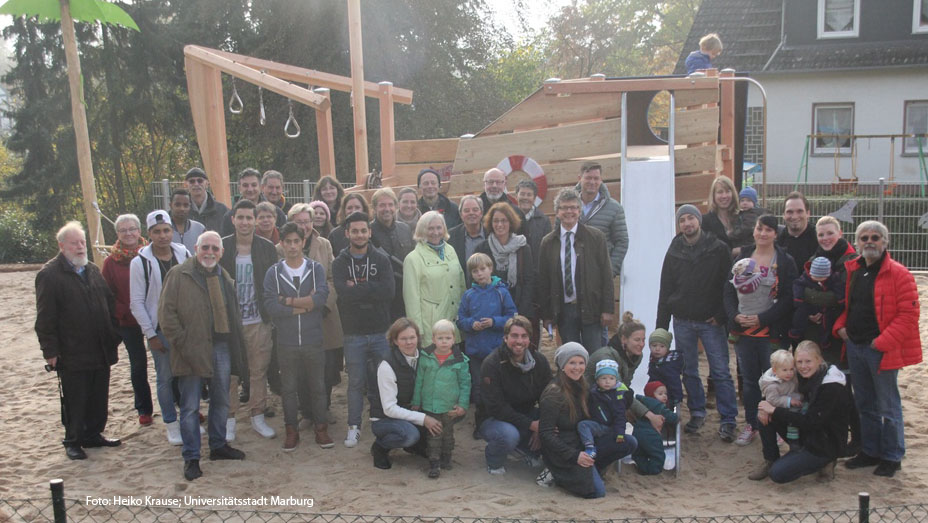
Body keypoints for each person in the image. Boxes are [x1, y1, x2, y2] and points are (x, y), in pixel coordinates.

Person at [158, 231, 247, 481]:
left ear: (221, 252)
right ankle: (192, 457)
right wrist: (183, 343)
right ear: (195, 248)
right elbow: (166, 315)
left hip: (221, 347)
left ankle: (218, 446)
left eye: (215, 249)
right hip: (190, 349)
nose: (210, 252)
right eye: (205, 247)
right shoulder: (178, 275)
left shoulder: (223, 275)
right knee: (189, 407)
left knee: (221, 400)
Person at [835, 220, 921, 478]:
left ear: (885, 242)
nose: (869, 242)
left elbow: (908, 314)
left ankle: (892, 456)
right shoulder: (854, 270)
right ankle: (870, 451)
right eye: (864, 238)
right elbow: (851, 307)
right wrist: (841, 327)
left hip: (880, 349)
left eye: (875, 237)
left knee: (888, 406)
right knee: (865, 404)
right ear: (857, 242)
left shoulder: (899, 273)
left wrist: (881, 342)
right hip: (856, 346)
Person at [36, 221, 122, 460]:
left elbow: (109, 301)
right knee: (75, 398)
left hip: (100, 347)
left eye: (82, 242)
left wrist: (114, 333)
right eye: (75, 243)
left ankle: (93, 434)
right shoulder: (49, 275)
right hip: (72, 350)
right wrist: (50, 352)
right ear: (62, 246)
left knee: (98, 394)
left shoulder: (92, 269)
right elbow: (45, 318)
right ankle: (73, 440)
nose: (80, 247)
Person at [656, 203, 738, 439]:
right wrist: (662, 328)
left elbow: (729, 285)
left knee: (721, 371)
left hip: (711, 322)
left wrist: (722, 315)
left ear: (698, 221)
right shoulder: (673, 251)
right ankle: (697, 413)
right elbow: (666, 289)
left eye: (690, 218)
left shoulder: (718, 248)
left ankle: (729, 419)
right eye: (682, 220)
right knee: (689, 371)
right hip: (682, 321)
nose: (687, 224)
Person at [724, 214, 798, 447]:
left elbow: (788, 299)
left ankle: (775, 425)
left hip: (772, 333)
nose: (763, 233)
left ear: (776, 233)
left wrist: (762, 319)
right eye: (759, 228)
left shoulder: (785, 261)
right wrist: (735, 316)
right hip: (744, 333)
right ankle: (752, 424)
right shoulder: (743, 256)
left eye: (768, 229)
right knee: (749, 381)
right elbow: (727, 291)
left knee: (774, 381)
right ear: (754, 231)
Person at [262, 223, 329, 452]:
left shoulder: (315, 268)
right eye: (287, 241)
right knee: (289, 388)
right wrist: (302, 306)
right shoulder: (274, 272)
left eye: (296, 241)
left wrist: (287, 301)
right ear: (282, 243)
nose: (292, 246)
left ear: (303, 242)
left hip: (313, 338)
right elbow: (271, 305)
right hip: (287, 341)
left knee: (318, 387)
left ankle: (321, 428)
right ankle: (292, 431)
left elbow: (320, 299)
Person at [333, 212, 395, 449]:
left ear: (370, 232)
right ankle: (354, 427)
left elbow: (388, 292)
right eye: (354, 231)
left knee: (384, 380)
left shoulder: (381, 259)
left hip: (380, 330)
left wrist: (358, 287)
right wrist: (371, 289)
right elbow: (343, 294)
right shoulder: (339, 262)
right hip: (353, 333)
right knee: (356, 382)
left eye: (363, 230)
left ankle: (383, 422)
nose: (359, 235)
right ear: (347, 233)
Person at [130, 210, 192, 445]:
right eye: (157, 231)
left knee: (187, 375)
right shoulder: (140, 263)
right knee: (165, 378)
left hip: (184, 327)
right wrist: (151, 333)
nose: (163, 236)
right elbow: (136, 302)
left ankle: (188, 418)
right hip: (159, 329)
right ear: (149, 234)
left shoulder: (183, 253)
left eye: (166, 230)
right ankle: (171, 423)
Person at [219, 199, 279, 441]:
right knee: (230, 373)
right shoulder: (222, 248)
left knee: (258, 370)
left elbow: (273, 283)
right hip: (230, 322)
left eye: (249, 217)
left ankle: (257, 415)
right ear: (233, 220)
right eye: (240, 217)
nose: (245, 222)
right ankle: (230, 419)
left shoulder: (266, 248)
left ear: (255, 220)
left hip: (258, 320)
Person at [753, 341, 852, 483]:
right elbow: (775, 388)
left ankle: (827, 461)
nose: (803, 366)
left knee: (778, 474)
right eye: (799, 362)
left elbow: (812, 422)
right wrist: (764, 405)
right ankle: (771, 459)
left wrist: (774, 410)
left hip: (824, 441)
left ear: (819, 360)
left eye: (808, 361)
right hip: (807, 432)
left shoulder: (831, 386)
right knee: (764, 415)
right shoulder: (798, 374)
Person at [539, 343, 629, 498]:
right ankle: (555, 473)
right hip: (565, 451)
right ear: (562, 365)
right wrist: (575, 456)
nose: (577, 368)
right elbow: (546, 434)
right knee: (596, 492)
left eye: (581, 363)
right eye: (572, 363)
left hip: (584, 442)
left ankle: (594, 468)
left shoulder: (584, 386)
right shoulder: (554, 393)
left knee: (628, 442)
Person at [284, 204, 344, 425]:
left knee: (326, 368)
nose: (304, 226)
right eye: (299, 222)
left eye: (307, 221)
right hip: (296, 317)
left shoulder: (324, 244)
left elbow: (332, 278)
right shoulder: (280, 248)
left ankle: (324, 408)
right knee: (301, 369)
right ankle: (307, 412)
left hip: (324, 316)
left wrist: (322, 304)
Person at [537, 188, 614, 348]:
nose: (569, 211)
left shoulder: (596, 237)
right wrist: (546, 315)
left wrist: (608, 309)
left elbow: (606, 275)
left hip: (591, 308)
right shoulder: (548, 242)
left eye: (573, 207)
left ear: (579, 211)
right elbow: (543, 282)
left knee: (594, 356)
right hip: (564, 311)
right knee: (571, 356)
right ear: (557, 212)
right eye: (564, 208)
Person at [479, 316, 552, 475]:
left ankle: (526, 451)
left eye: (524, 336)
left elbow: (548, 398)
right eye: (514, 336)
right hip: (493, 418)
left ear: (530, 338)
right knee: (508, 435)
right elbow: (496, 408)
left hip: (525, 412)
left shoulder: (539, 362)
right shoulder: (492, 364)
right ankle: (494, 460)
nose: (519, 341)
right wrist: (532, 425)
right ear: (505, 338)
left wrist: (542, 425)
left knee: (555, 423)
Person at [368, 318, 443, 470]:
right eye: (403, 339)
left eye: (412, 337)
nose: (409, 342)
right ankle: (380, 447)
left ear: (418, 337)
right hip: (384, 418)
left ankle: (414, 446)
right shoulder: (386, 365)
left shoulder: (425, 356)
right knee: (410, 435)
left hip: (411, 409)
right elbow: (389, 408)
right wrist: (424, 419)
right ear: (395, 341)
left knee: (444, 419)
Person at [101, 214, 153, 427]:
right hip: (128, 321)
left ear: (140, 231)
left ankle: (177, 402)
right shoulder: (111, 262)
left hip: (153, 316)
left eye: (132, 229)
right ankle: (144, 408)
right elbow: (106, 294)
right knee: (138, 364)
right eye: (124, 230)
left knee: (165, 363)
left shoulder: (151, 254)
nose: (129, 233)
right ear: (118, 234)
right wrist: (123, 310)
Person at [457, 252, 517, 433]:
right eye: (475, 271)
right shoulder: (468, 295)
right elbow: (460, 319)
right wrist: (471, 324)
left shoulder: (502, 292)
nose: (480, 274)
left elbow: (512, 316)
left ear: (490, 269)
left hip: (497, 350)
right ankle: (481, 422)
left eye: (483, 269)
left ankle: (500, 418)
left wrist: (494, 322)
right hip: (475, 351)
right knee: (479, 387)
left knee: (499, 385)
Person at [587, 312, 665, 435]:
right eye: (637, 340)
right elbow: (619, 390)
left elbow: (626, 386)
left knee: (651, 404)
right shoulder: (607, 357)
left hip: (611, 398)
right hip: (593, 401)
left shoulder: (636, 356)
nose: (642, 344)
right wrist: (649, 416)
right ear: (624, 339)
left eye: (643, 340)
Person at [411, 319, 471, 478]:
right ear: (433, 339)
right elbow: (419, 381)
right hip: (430, 405)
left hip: (450, 406)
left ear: (454, 339)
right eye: (440, 338)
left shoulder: (461, 360)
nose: (444, 342)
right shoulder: (426, 357)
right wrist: (416, 402)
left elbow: (465, 384)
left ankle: (447, 456)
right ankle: (434, 463)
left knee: (448, 434)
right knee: (433, 435)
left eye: (448, 338)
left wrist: (463, 405)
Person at [800, 215, 859, 365]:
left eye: (830, 233)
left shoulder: (852, 260)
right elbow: (802, 284)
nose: (825, 238)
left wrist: (809, 296)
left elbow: (843, 295)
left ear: (840, 233)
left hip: (841, 325)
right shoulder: (815, 258)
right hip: (817, 324)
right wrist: (810, 312)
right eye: (821, 234)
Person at [403, 211, 466, 344]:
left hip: (455, 324)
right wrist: (417, 330)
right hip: (431, 327)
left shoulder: (451, 250)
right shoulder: (413, 259)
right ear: (421, 230)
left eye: (439, 227)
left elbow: (461, 284)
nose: (435, 232)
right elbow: (411, 298)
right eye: (430, 228)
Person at [475, 202, 535, 317]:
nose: (500, 224)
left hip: (519, 309)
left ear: (511, 222)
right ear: (490, 223)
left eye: (504, 220)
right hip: (490, 312)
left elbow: (529, 281)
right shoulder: (482, 249)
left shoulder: (523, 248)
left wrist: (520, 312)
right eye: (496, 221)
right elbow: (475, 281)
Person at [575, 161, 628, 280]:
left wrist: (610, 270)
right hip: (572, 273)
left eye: (596, 178)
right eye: (588, 178)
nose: (592, 182)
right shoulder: (567, 205)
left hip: (599, 274)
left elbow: (622, 241)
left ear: (601, 180)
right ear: (580, 178)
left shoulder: (614, 208)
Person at [369, 187, 415, 320]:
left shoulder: (405, 229)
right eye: (382, 205)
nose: (387, 209)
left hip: (403, 293)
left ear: (396, 206)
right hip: (380, 296)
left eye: (390, 204)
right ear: (374, 208)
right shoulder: (368, 232)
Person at [576, 359, 633, 462]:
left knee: (585, 425)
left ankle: (592, 450)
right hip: (597, 424)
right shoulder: (593, 392)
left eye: (611, 378)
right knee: (583, 425)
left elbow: (620, 416)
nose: (607, 381)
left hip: (609, 427)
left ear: (616, 380)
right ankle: (590, 447)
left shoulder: (617, 396)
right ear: (597, 380)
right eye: (603, 378)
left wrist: (620, 433)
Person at [790, 257, 844, 348]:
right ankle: (796, 332)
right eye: (815, 277)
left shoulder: (833, 278)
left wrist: (841, 299)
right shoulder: (805, 278)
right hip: (808, 305)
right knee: (800, 314)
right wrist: (798, 299)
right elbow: (797, 285)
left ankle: (825, 341)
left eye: (821, 278)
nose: (818, 280)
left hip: (826, 308)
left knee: (827, 322)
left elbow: (838, 287)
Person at [758, 349, 802, 451]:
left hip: (795, 401)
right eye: (785, 370)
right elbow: (772, 399)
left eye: (791, 369)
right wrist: (788, 400)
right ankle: (792, 439)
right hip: (780, 407)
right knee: (792, 420)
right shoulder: (772, 385)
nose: (789, 373)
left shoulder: (792, 377)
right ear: (774, 370)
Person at [221, 168, 286, 236]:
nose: (250, 189)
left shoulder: (278, 213)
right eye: (245, 185)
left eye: (254, 185)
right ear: (239, 188)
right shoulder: (229, 216)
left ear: (261, 187)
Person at [631, 381, 678, 475]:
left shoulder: (642, 404)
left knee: (639, 453)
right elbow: (671, 417)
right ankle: (654, 471)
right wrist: (677, 417)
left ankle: (643, 468)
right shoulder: (657, 406)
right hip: (651, 435)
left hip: (637, 433)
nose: (664, 396)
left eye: (665, 393)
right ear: (651, 395)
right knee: (657, 454)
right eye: (660, 394)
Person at [448, 195, 486, 286]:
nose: (471, 213)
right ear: (461, 215)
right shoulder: (451, 237)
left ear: (481, 213)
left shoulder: (491, 233)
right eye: (466, 210)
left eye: (475, 210)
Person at [777, 191, 818, 268]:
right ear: (783, 215)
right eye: (790, 212)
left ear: (808, 213)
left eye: (799, 211)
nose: (795, 216)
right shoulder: (777, 242)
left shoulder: (819, 239)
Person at [185, 167, 229, 233]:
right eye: (192, 181)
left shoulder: (222, 210)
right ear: (186, 184)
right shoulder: (181, 211)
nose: (196, 184)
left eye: (200, 181)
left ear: (207, 183)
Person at [646, 329, 683, 407]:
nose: (657, 349)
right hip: (656, 394)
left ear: (667, 348)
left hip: (669, 396)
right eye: (654, 345)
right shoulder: (654, 359)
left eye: (662, 346)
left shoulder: (670, 364)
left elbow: (675, 382)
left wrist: (677, 398)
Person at [701, 176, 739, 249]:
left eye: (728, 191)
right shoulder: (705, 222)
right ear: (713, 196)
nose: (724, 196)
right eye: (720, 192)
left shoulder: (742, 218)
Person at [168, 188, 206, 254]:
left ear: (190, 206)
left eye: (185, 205)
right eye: (177, 205)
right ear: (171, 205)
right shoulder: (162, 230)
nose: (182, 209)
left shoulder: (199, 229)